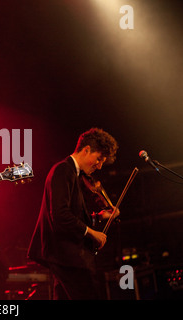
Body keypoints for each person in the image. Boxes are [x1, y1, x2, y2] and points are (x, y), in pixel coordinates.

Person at [27, 128, 119, 300]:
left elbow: (71, 217)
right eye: (98, 159)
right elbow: (61, 216)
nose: (99, 166)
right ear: (86, 150)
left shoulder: (73, 174)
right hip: (66, 256)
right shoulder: (63, 170)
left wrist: (98, 217)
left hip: (64, 255)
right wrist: (93, 234)